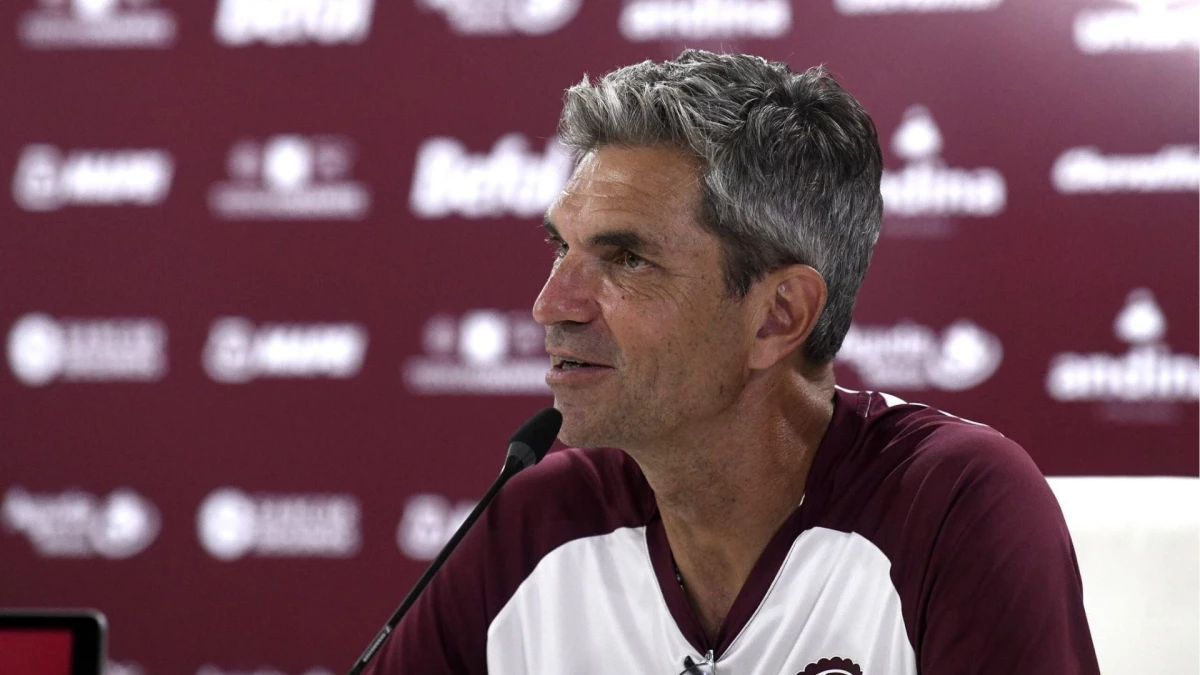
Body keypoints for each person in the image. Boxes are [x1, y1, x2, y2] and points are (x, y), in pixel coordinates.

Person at [366, 50, 1100, 674]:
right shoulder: (535, 522)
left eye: (626, 259)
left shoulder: (951, 508)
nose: (552, 303)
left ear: (778, 316)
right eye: (563, 247)